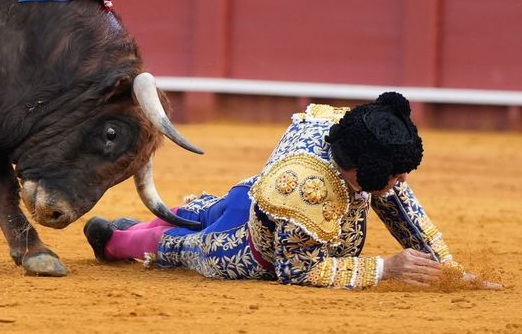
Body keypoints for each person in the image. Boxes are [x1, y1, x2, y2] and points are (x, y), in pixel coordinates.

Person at [83, 92, 501, 289]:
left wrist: (447, 269)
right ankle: (116, 241)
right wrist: (385, 268)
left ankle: (139, 225)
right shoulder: (309, 188)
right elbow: (296, 269)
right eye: (395, 173)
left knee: (207, 208)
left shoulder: (348, 132)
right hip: (248, 250)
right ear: (366, 168)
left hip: (255, 196)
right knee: (182, 245)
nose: (402, 181)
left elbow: (398, 204)